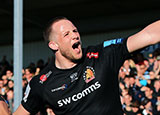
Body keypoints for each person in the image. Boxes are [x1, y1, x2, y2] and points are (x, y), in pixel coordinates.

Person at [0, 16, 156, 115]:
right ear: (54, 45)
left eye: (74, 31)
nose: (75, 35)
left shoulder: (103, 55)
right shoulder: (41, 83)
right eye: (66, 34)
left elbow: (148, 35)